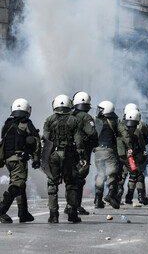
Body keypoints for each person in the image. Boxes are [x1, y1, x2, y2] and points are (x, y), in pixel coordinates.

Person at [0, 98, 41, 223]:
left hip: (8, 159)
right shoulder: (26, 123)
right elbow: (36, 140)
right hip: (19, 159)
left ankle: (23, 213)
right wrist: (36, 159)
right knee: (16, 185)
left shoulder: (6, 125)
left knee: (20, 184)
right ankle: (1, 210)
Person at [43, 94, 82, 223]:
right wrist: (81, 155)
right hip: (69, 155)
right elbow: (79, 140)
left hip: (53, 155)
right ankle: (72, 213)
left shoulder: (48, 120)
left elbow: (46, 140)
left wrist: (44, 158)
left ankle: (53, 215)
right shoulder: (74, 120)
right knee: (71, 184)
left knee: (52, 185)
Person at [64, 91, 98, 215]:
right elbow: (92, 133)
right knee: (80, 178)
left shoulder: (70, 115)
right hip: (83, 151)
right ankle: (75, 206)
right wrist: (95, 143)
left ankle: (69, 205)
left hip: (70, 151)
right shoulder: (86, 117)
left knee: (72, 178)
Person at [94, 100, 132, 209]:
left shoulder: (96, 121)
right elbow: (125, 134)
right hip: (109, 151)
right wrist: (129, 147)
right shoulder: (116, 121)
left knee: (100, 175)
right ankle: (110, 194)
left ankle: (97, 199)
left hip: (98, 151)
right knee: (112, 174)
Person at [116, 103, 148, 203]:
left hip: (122, 155)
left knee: (122, 175)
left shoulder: (120, 125)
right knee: (137, 175)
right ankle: (135, 196)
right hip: (134, 156)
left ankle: (117, 192)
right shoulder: (139, 127)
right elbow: (144, 140)